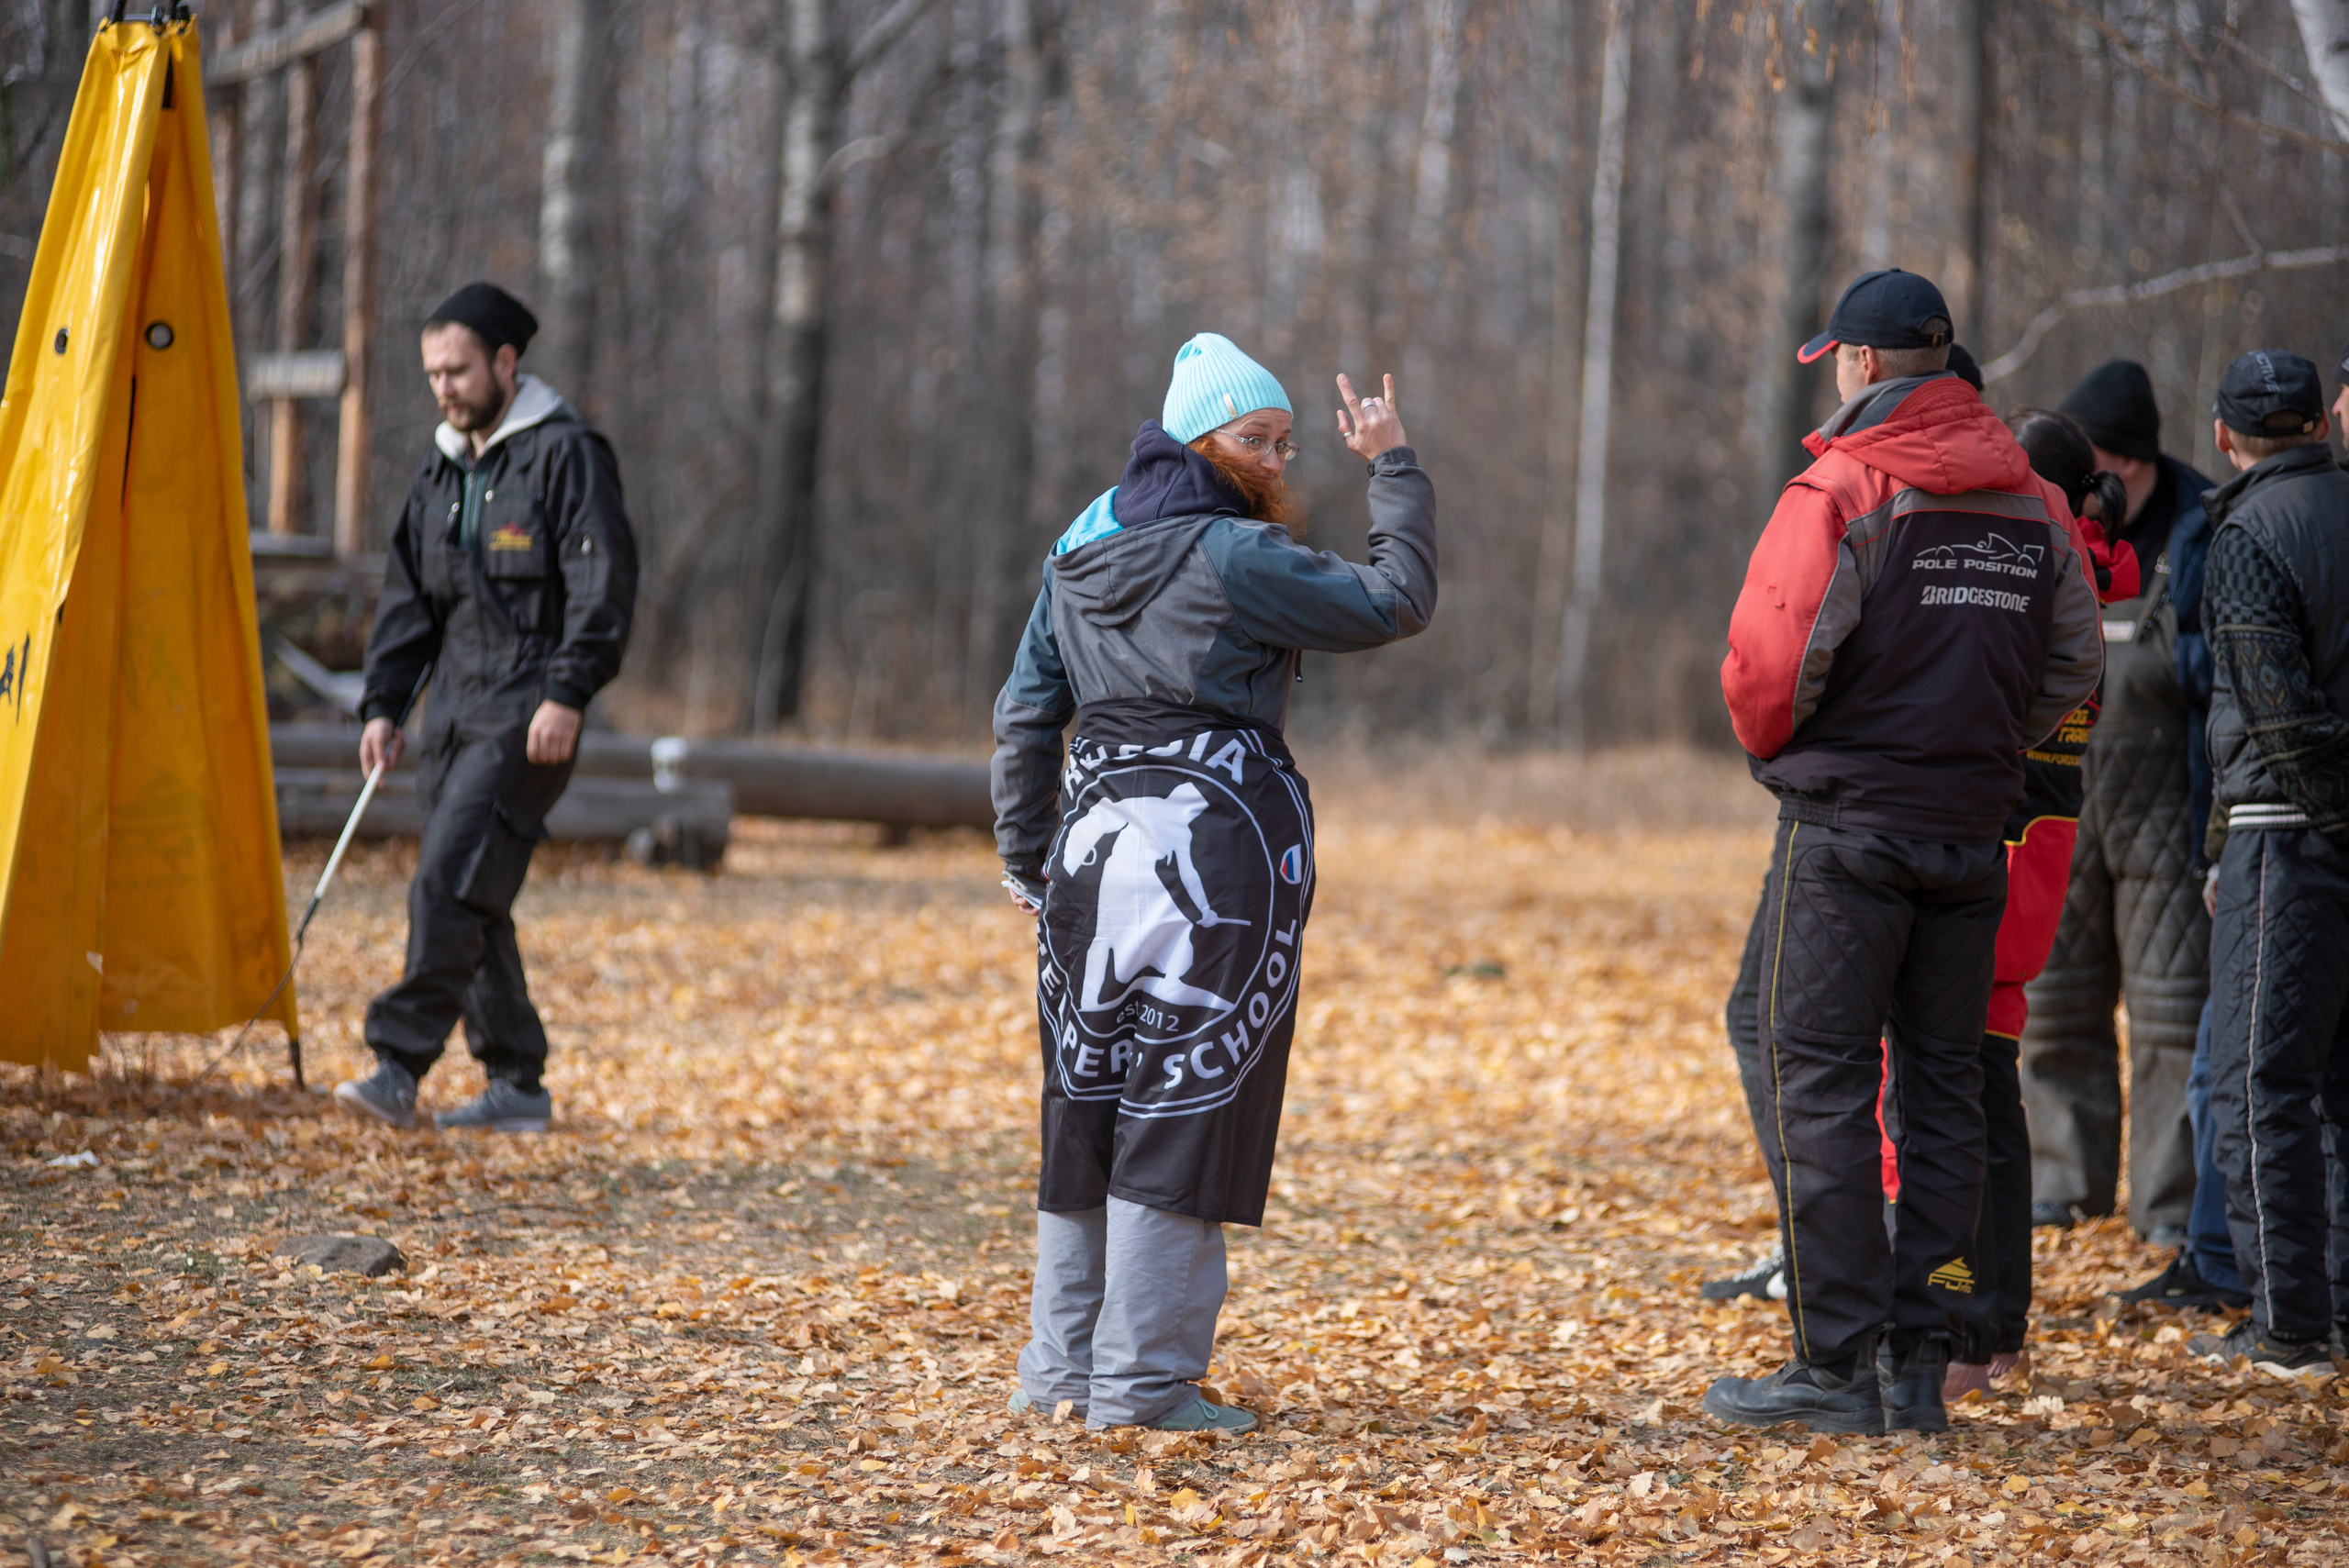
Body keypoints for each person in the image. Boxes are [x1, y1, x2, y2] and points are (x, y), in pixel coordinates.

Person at [991, 333, 1435, 1433]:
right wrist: (1397, 466)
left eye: (1287, 441)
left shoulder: (1075, 552)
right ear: (1201, 441)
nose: (1279, 460)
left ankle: (1060, 1374)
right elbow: (1396, 599)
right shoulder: (1232, 553)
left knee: (1086, 1096)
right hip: (1213, 854)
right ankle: (1140, 1386)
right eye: (1257, 438)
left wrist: (1022, 850)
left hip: (1088, 854)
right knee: (1184, 1100)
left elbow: (1022, 712)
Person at [1705, 270, 2104, 1437]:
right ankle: (1918, 1366)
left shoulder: (1845, 485)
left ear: (1866, 364)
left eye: (1839, 355)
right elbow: (2077, 665)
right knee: (1941, 1089)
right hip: (1971, 832)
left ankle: (1834, 1363)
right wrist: (1979, 750)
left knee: (1815, 1076)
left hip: (1847, 830)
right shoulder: (2031, 500)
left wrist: (1800, 755)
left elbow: (1767, 666)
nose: (1835, 369)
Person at [333, 283, 639, 1133]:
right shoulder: (441, 469)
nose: (443, 387)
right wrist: (385, 704)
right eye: (433, 372)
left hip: (528, 711)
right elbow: (408, 602)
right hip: (451, 715)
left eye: (458, 369)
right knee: (479, 895)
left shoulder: (566, 455)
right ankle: (516, 1085)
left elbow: (603, 583)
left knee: (447, 881)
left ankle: (397, 1064)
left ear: (506, 362)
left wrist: (568, 691)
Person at [2021, 361, 2216, 1238]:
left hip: (2165, 810)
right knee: (2054, 1001)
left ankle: (2169, 1209)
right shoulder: (2040, 525)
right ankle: (2060, 1185)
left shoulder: (2202, 531)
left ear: (2128, 464)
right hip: (2060, 797)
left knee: (2174, 1011)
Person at [2186, 349, 2349, 1380]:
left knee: (2258, 1085)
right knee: (2338, 1086)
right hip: (2312, 830)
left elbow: (2274, 713)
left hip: (2287, 836)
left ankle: (2288, 1327)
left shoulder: (2245, 531)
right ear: (2321, 423)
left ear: (2222, 437)